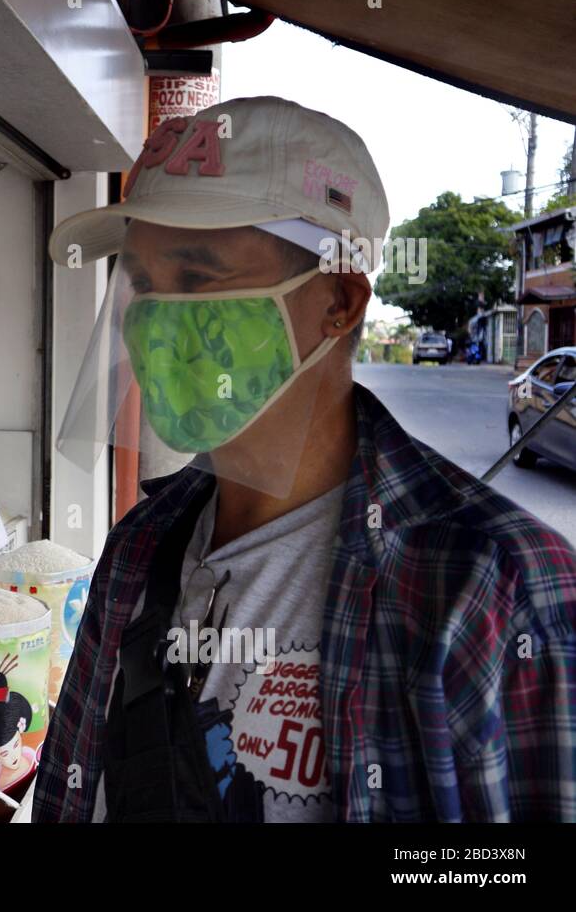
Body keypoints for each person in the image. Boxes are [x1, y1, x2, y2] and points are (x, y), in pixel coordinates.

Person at [34, 96, 576, 822]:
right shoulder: (139, 547)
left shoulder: (497, 588)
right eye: (144, 283)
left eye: (196, 279)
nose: (154, 323)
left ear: (340, 301)